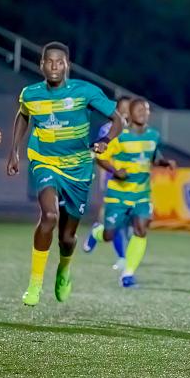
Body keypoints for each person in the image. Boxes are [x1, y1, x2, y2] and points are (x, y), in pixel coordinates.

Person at [6, 41, 122, 306]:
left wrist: (105, 141)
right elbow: (23, 115)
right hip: (44, 161)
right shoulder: (30, 93)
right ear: (41, 65)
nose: (54, 66)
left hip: (78, 168)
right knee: (49, 216)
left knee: (67, 238)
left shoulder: (85, 91)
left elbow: (118, 119)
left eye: (59, 62)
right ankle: (35, 284)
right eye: (49, 61)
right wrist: (15, 150)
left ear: (67, 65)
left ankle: (64, 269)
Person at [84, 98, 175, 288]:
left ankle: (128, 275)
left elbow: (154, 157)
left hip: (142, 194)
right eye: (139, 109)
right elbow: (101, 157)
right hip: (118, 194)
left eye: (146, 109)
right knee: (109, 235)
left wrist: (165, 163)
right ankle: (96, 232)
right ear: (130, 113)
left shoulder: (153, 136)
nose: (143, 112)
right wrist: (115, 171)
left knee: (141, 230)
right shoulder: (119, 136)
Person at [82, 95, 132, 270]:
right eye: (123, 108)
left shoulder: (135, 130)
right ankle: (122, 257)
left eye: (129, 108)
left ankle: (97, 231)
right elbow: (101, 155)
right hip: (112, 180)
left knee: (127, 221)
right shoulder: (107, 129)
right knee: (116, 221)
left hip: (132, 183)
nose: (126, 111)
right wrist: (110, 174)